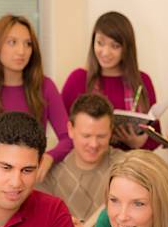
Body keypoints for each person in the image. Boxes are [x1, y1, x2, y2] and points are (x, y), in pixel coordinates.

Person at [0, 15, 72, 181]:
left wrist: (49, 157)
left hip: (30, 181)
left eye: (28, 43)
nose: (21, 51)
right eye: (12, 42)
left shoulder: (45, 87)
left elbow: (69, 138)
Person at [61, 11, 160, 151]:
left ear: (126, 48)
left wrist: (139, 142)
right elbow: (64, 132)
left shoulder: (142, 81)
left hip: (129, 166)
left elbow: (156, 136)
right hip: (89, 164)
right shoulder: (77, 79)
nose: (105, 52)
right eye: (100, 43)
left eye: (115, 46)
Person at [38, 93, 123, 227]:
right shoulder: (49, 172)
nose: (94, 144)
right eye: (86, 136)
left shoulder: (124, 165)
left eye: (101, 136)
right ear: (70, 130)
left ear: (111, 132)